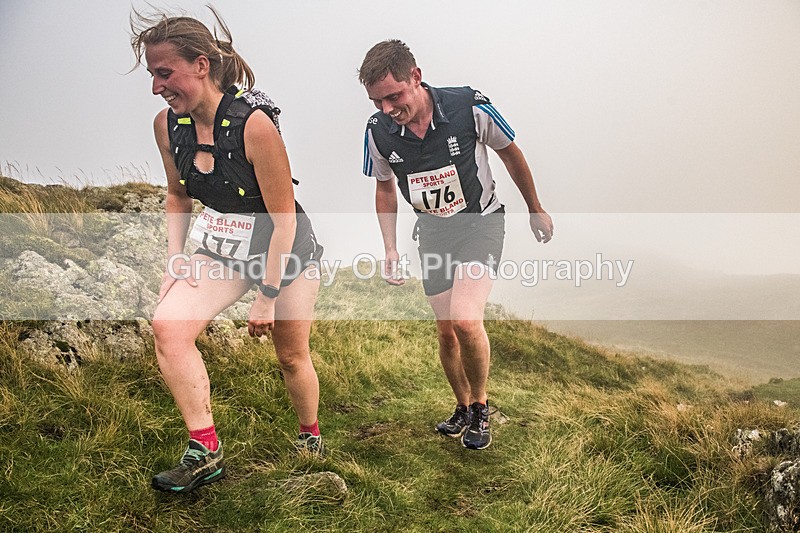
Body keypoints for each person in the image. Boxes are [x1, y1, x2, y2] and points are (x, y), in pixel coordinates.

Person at [130, 7, 325, 493]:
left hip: (287, 253)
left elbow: (282, 220)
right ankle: (205, 450)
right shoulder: (167, 125)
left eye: (164, 72)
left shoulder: (255, 126)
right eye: (153, 75)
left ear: (200, 65)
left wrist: (267, 295)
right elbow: (177, 195)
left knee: (291, 355)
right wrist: (176, 259)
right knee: (168, 327)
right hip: (223, 250)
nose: (157, 87)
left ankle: (310, 436)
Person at [359, 40, 553, 450]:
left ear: (416, 76)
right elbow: (384, 188)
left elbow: (511, 155)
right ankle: (462, 406)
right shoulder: (378, 132)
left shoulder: (469, 107)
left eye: (394, 96)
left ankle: (481, 408)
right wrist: (390, 248)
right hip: (432, 232)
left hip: (480, 225)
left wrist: (535, 208)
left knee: (466, 320)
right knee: (446, 331)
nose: (387, 109)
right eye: (377, 101)